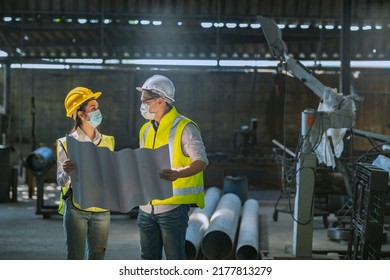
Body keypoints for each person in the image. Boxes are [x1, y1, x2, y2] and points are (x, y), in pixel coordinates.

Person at [135, 74, 208, 260]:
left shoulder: (185, 127)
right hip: (145, 208)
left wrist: (179, 173)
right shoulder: (145, 129)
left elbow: (201, 161)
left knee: (175, 260)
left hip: (172, 209)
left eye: (145, 100)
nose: (142, 104)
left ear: (160, 100)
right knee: (148, 260)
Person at [56, 87, 115, 260]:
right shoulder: (65, 143)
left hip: (102, 209)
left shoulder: (108, 142)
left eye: (98, 107)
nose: (99, 111)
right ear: (81, 114)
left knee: (97, 260)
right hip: (76, 209)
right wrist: (67, 173)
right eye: (93, 108)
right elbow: (60, 181)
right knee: (75, 258)